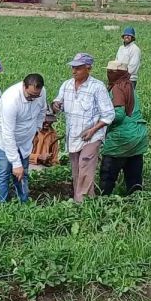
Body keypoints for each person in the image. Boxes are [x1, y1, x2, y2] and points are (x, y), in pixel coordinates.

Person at [52, 53, 114, 203]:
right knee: (77, 170)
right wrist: (56, 105)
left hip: (92, 136)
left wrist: (93, 130)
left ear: (88, 68)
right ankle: (82, 199)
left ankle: (82, 203)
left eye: (78, 68)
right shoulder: (67, 85)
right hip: (73, 135)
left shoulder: (97, 87)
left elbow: (109, 115)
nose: (74, 71)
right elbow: (57, 102)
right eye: (73, 68)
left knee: (86, 167)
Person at [0, 74, 47, 203]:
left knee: (22, 173)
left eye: (36, 96)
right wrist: (16, 163)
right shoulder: (11, 100)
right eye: (30, 96)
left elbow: (42, 110)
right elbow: (8, 134)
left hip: (23, 138)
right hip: (1, 137)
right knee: (3, 172)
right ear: (23, 86)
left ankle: (24, 203)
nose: (33, 99)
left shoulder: (40, 93)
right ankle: (1, 206)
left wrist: (37, 130)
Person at [99, 61, 148, 195]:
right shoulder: (129, 86)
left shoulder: (117, 88)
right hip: (138, 135)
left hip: (121, 139)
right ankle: (135, 199)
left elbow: (119, 115)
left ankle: (103, 200)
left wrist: (99, 122)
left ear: (115, 74)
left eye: (110, 72)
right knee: (134, 174)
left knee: (108, 175)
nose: (107, 74)